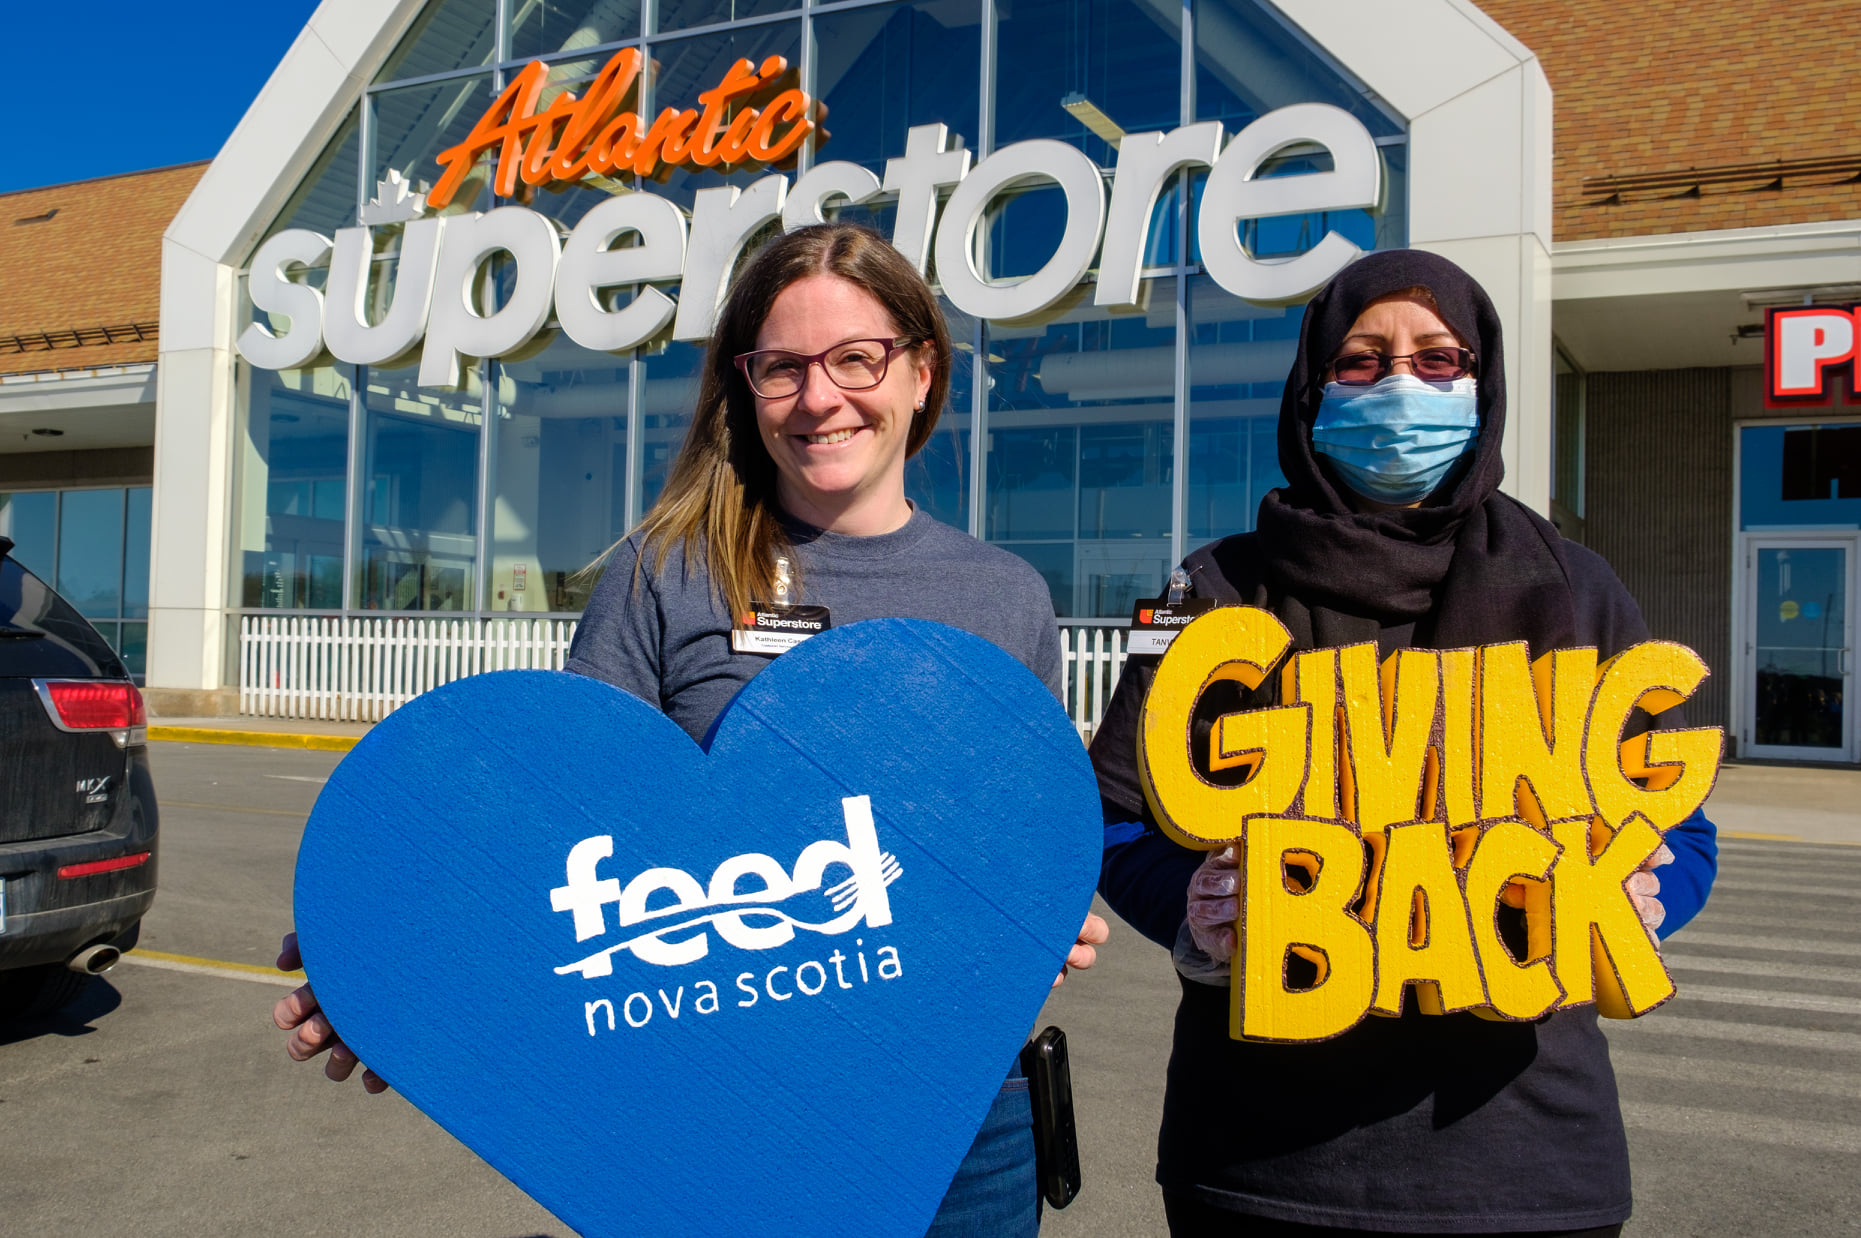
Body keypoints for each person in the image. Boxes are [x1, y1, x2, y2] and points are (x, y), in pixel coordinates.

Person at [274, 222, 1109, 1237]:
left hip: (960, 1119)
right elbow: (568, 837)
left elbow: (1014, 839)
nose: (819, 397)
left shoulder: (1004, 597)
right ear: (742, 385)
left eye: (857, 358)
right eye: (781, 368)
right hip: (719, 1114)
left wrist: (1042, 911)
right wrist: (392, 957)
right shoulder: (665, 572)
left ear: (921, 370)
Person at [1089, 249, 1717, 1237]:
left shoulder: (1579, 587)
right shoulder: (1203, 589)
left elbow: (1685, 831)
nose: (1398, 385)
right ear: (1311, 387)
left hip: (1526, 1161)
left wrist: (1643, 896)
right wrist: (1195, 918)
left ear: (1482, 381)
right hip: (1259, 1158)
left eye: (1436, 360)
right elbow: (1119, 818)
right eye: (1361, 360)